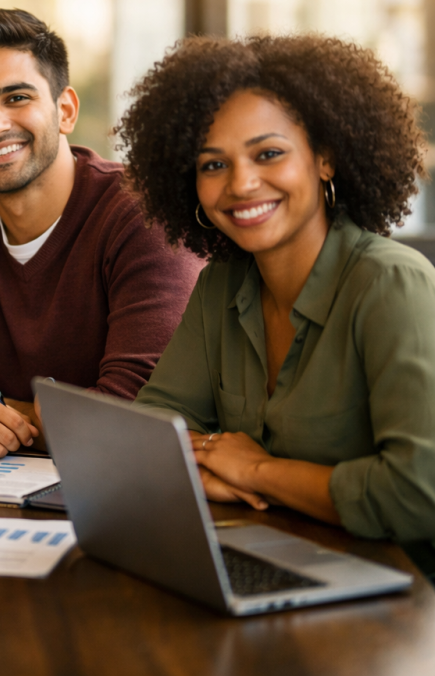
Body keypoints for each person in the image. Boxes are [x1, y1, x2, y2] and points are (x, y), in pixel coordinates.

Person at [120, 34, 435, 574]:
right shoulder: (221, 284)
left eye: (268, 154)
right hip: (271, 558)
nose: (241, 184)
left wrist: (257, 472)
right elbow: (150, 432)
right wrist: (217, 469)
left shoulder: (391, 284)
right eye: (213, 165)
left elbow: (415, 495)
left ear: (326, 159)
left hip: (401, 601)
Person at [0, 9, 204, 461]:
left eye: (16, 98)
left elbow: (131, 416)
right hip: (9, 489)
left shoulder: (144, 215)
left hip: (147, 487)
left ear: (65, 110)